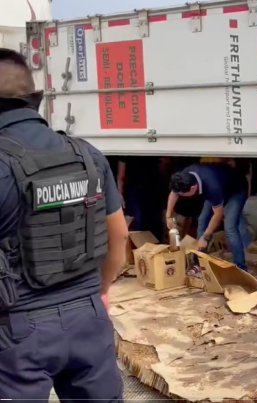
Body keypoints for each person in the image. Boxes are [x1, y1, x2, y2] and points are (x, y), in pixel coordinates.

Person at [0, 48, 127, 400]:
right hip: (89, 317)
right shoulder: (87, 154)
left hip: (18, 332)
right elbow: (120, 236)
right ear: (32, 100)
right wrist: (98, 290)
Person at [166, 163, 251, 269]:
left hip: (236, 189)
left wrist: (205, 237)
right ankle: (198, 262)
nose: (181, 197)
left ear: (193, 188)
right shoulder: (184, 175)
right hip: (218, 185)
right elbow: (174, 193)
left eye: (183, 195)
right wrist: (168, 216)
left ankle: (241, 267)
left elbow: (218, 214)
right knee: (202, 220)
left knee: (230, 227)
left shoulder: (212, 187)